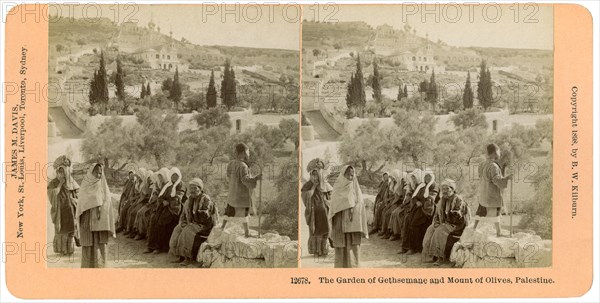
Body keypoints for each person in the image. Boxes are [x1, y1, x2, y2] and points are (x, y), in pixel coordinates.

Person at [169, 178, 219, 266]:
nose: (192, 190)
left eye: (195, 188)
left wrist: (192, 223)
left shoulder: (205, 199)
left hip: (204, 225)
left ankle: (188, 258)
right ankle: (179, 256)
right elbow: (184, 214)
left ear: (200, 188)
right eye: (191, 188)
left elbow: (206, 217)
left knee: (187, 230)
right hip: (193, 223)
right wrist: (183, 222)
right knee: (178, 228)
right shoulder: (190, 199)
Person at [76, 163, 116, 268]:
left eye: (100, 173)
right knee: (88, 244)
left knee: (100, 245)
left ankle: (100, 268)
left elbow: (108, 202)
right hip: (87, 220)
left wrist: (101, 209)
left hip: (100, 222)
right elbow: (81, 204)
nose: (98, 175)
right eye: (96, 173)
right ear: (91, 173)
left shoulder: (103, 186)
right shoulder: (85, 186)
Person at [422, 178, 470, 265]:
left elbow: (458, 216)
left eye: (447, 188)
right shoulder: (442, 199)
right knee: (430, 228)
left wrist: (445, 222)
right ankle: (430, 255)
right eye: (443, 189)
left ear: (452, 189)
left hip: (456, 225)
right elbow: (437, 214)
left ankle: (440, 257)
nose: (445, 191)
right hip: (445, 223)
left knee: (440, 231)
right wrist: (436, 222)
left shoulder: (458, 199)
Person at [328, 165, 368, 268]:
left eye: (352, 174)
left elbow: (361, 203)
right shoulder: (337, 188)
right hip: (340, 222)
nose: (350, 177)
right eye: (347, 174)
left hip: (352, 223)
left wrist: (354, 208)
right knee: (341, 246)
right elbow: (333, 206)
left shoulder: (355, 188)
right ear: (343, 175)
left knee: (352, 246)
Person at [221, 143, 262, 238]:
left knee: (229, 211)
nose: (249, 154)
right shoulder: (243, 166)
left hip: (232, 193)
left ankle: (222, 227)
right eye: (248, 152)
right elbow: (245, 180)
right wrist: (256, 178)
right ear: (243, 153)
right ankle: (247, 233)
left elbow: (228, 176)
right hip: (241, 195)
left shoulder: (231, 163)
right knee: (245, 214)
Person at [472, 143, 512, 237]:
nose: (500, 154)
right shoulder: (493, 166)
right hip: (491, 194)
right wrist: (507, 178)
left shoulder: (482, 163)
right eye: (499, 152)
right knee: (496, 214)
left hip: (483, 192)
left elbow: (480, 176)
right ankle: (499, 232)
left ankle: (474, 227)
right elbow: (496, 180)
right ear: (495, 152)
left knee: (481, 210)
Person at [145, 167, 184, 254]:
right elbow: (160, 196)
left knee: (162, 221)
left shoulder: (180, 184)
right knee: (154, 220)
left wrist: (169, 203)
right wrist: (163, 201)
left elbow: (178, 197)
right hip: (164, 207)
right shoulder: (168, 185)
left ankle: (160, 247)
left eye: (176, 175)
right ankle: (151, 245)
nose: (174, 177)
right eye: (173, 175)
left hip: (175, 209)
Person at [399, 169, 438, 255]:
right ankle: (405, 246)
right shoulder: (422, 185)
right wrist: (417, 201)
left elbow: (431, 198)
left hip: (427, 210)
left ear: (432, 177)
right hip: (418, 208)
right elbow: (414, 196)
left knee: (414, 223)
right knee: (408, 220)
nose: (427, 178)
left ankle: (414, 248)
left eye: (429, 176)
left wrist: (422, 203)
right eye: (426, 176)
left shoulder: (434, 186)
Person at [301, 158, 333, 257]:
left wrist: (328, 203)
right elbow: (307, 196)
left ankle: (324, 250)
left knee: (325, 230)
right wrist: (314, 186)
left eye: (317, 173)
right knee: (315, 231)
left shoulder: (325, 184)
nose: (315, 176)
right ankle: (316, 250)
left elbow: (331, 196)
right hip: (314, 213)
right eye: (313, 174)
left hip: (324, 212)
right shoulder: (308, 185)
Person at [48, 164, 77, 255]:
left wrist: (74, 199)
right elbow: (54, 193)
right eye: (59, 172)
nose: (61, 174)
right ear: (56, 172)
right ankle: (63, 250)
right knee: (62, 230)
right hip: (60, 210)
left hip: (69, 209)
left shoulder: (69, 182)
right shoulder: (53, 183)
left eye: (63, 172)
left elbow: (75, 193)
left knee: (71, 229)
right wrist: (60, 183)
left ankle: (70, 249)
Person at [134, 170, 165, 240]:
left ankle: (143, 233)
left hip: (155, 205)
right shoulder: (155, 185)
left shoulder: (160, 186)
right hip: (151, 203)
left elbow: (155, 198)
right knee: (140, 212)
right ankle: (138, 231)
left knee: (144, 213)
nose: (150, 179)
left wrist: (150, 202)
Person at [125, 170, 153, 238]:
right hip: (142, 201)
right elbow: (142, 195)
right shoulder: (144, 184)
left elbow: (145, 197)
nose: (149, 179)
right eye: (148, 178)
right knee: (131, 211)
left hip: (146, 203)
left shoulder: (151, 185)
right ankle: (130, 230)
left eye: (150, 178)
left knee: (137, 212)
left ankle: (139, 232)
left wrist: (137, 202)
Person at [386, 171, 409, 241]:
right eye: (402, 180)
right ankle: (392, 232)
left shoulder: (407, 186)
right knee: (393, 213)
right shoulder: (400, 185)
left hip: (405, 205)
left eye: (404, 179)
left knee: (396, 213)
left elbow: (404, 197)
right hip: (402, 203)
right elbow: (399, 194)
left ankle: (396, 233)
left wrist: (402, 203)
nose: (403, 181)